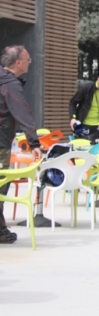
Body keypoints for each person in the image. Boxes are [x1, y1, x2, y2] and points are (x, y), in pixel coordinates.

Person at [0, 45, 42, 244]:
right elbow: (22, 111)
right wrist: (34, 142)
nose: (29, 62)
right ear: (18, 63)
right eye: (28, 59)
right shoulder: (10, 83)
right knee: (1, 185)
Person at [69, 72, 99, 141]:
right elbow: (72, 103)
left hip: (98, 127)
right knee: (81, 149)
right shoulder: (86, 88)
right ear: (98, 80)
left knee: (96, 149)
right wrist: (73, 118)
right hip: (83, 124)